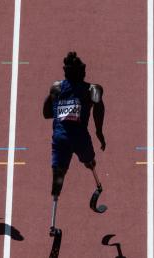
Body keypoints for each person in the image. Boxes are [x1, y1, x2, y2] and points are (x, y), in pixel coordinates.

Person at [43, 52, 106, 235]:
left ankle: (53, 222)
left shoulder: (56, 87)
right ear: (82, 72)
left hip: (60, 138)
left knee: (58, 176)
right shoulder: (93, 88)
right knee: (89, 161)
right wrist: (99, 132)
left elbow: (46, 113)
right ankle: (96, 180)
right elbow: (99, 108)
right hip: (80, 138)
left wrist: (60, 104)